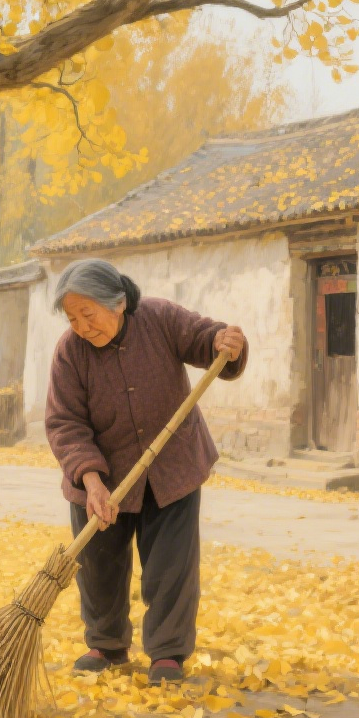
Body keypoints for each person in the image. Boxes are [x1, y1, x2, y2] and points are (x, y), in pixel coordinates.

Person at [44, 259, 247, 685]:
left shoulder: (159, 318)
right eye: (72, 318)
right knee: (98, 564)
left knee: (172, 565)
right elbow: (65, 423)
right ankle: (106, 644)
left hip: (170, 468)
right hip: (102, 475)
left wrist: (225, 342)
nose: (81, 326)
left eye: (88, 313)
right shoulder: (70, 352)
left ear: (117, 303)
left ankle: (167, 653)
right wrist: (93, 481)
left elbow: (205, 340)